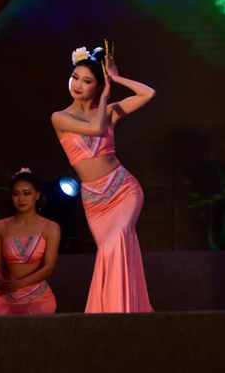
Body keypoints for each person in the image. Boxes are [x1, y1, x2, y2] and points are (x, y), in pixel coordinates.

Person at [52, 44, 155, 313]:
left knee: (117, 242)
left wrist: (116, 78)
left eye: (86, 81)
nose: (77, 85)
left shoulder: (108, 112)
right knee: (110, 253)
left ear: (97, 86)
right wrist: (107, 97)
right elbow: (96, 129)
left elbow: (148, 93)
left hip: (124, 190)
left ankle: (121, 313)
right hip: (95, 202)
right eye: (75, 77)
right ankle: (112, 315)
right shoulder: (60, 118)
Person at [0, 169, 60, 315]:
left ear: (37, 195)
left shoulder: (50, 227)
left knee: (30, 326)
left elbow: (49, 267)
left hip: (38, 298)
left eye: (27, 193)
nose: (21, 199)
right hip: (7, 296)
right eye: (16, 194)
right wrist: (4, 284)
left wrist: (19, 284)